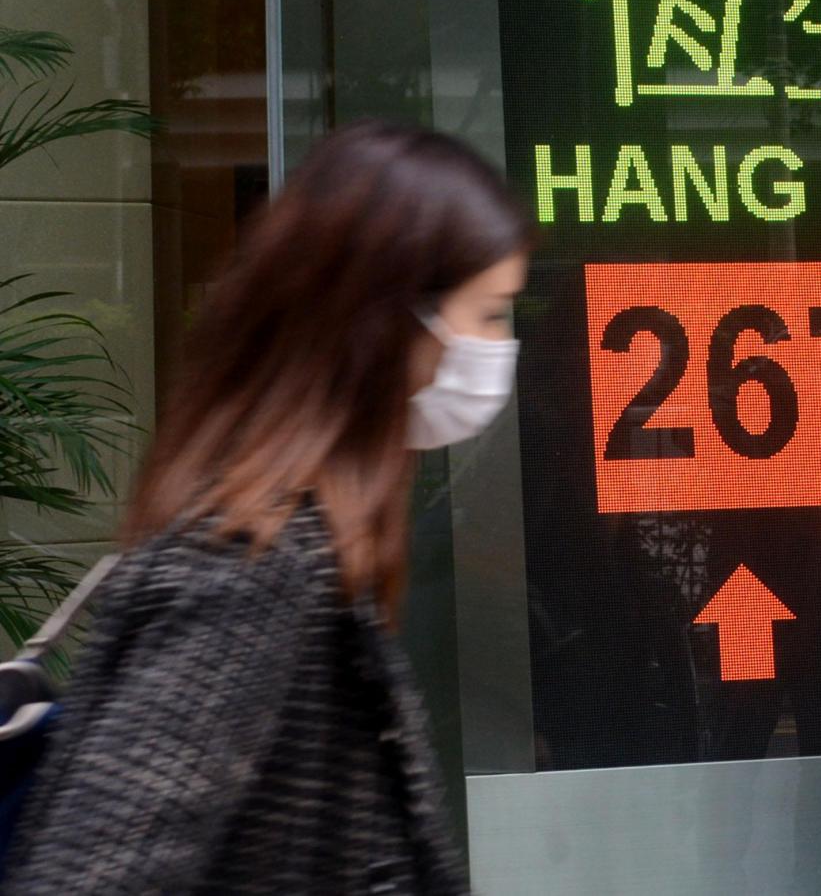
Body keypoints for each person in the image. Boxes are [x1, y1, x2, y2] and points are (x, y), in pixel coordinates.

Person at [1, 121, 535, 894]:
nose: (500, 347)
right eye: (488, 314)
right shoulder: (252, 567)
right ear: (382, 324)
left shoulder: (290, 539)